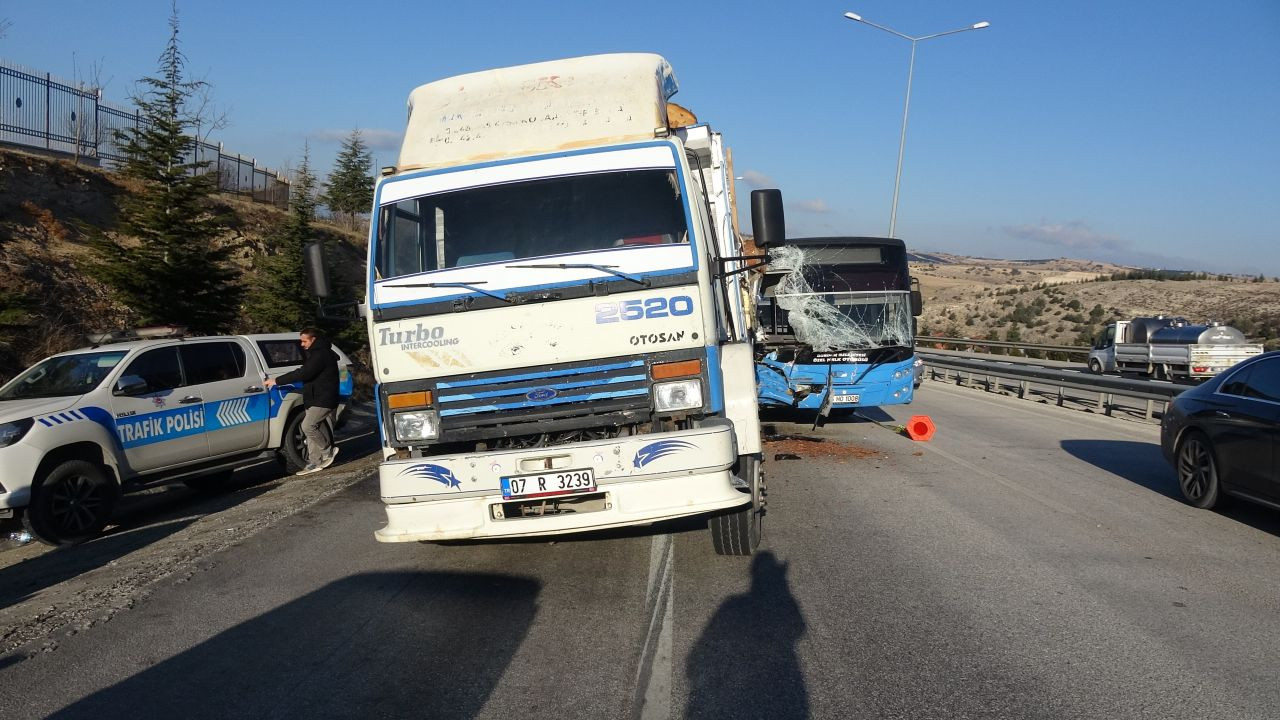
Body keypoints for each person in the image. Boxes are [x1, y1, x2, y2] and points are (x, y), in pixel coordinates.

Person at [264, 328, 340, 475]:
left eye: (304, 341)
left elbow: (304, 372)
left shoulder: (321, 355)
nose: (302, 344)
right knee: (311, 429)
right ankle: (315, 462)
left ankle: (328, 451)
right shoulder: (316, 354)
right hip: (314, 397)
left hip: (323, 398)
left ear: (314, 339)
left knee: (308, 426)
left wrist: (277, 380)